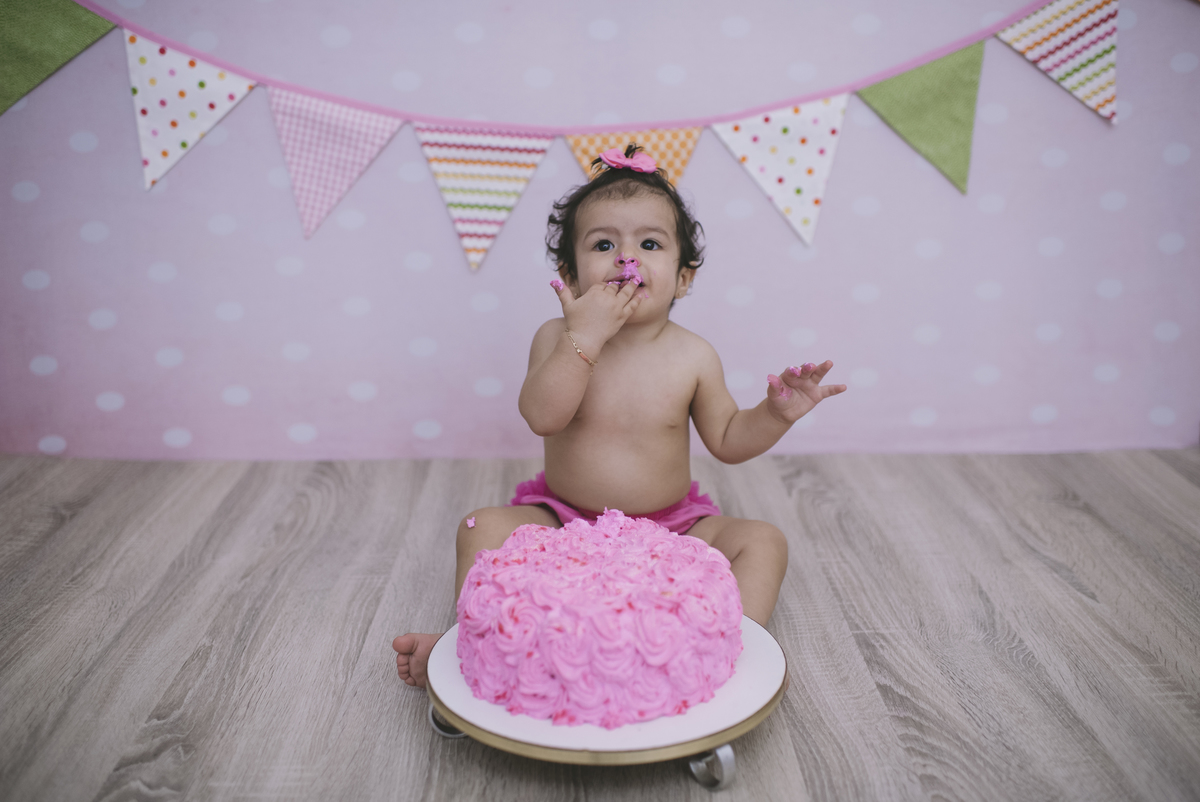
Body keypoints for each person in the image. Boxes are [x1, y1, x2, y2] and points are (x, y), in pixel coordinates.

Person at [394, 144, 845, 688]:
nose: (626, 258)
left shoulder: (693, 355)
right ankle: (470, 644)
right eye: (603, 244)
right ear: (569, 274)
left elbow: (728, 438)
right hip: (564, 520)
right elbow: (543, 416)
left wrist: (776, 415)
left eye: (650, 243)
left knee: (764, 541)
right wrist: (584, 337)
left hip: (672, 527)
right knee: (479, 527)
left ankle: (726, 648)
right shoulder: (557, 338)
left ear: (683, 278)